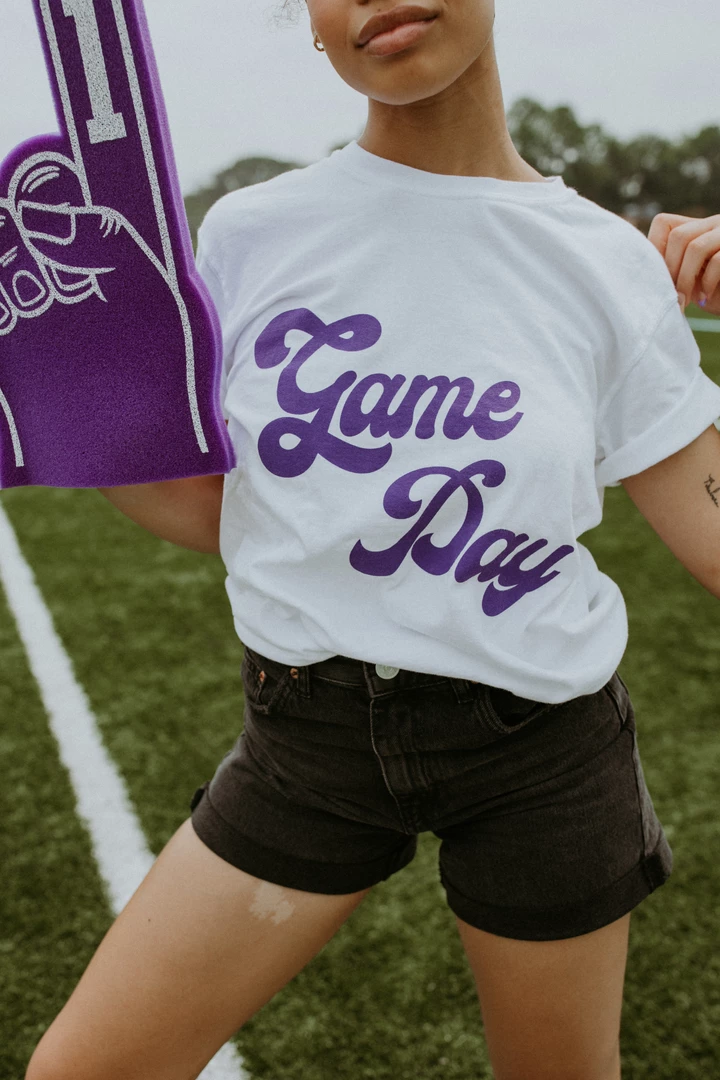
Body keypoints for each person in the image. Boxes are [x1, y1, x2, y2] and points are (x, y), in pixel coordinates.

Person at [25, 3, 720, 1079]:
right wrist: (64, 400)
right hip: (306, 742)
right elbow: (229, 518)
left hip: (541, 751)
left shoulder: (603, 261)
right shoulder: (250, 235)